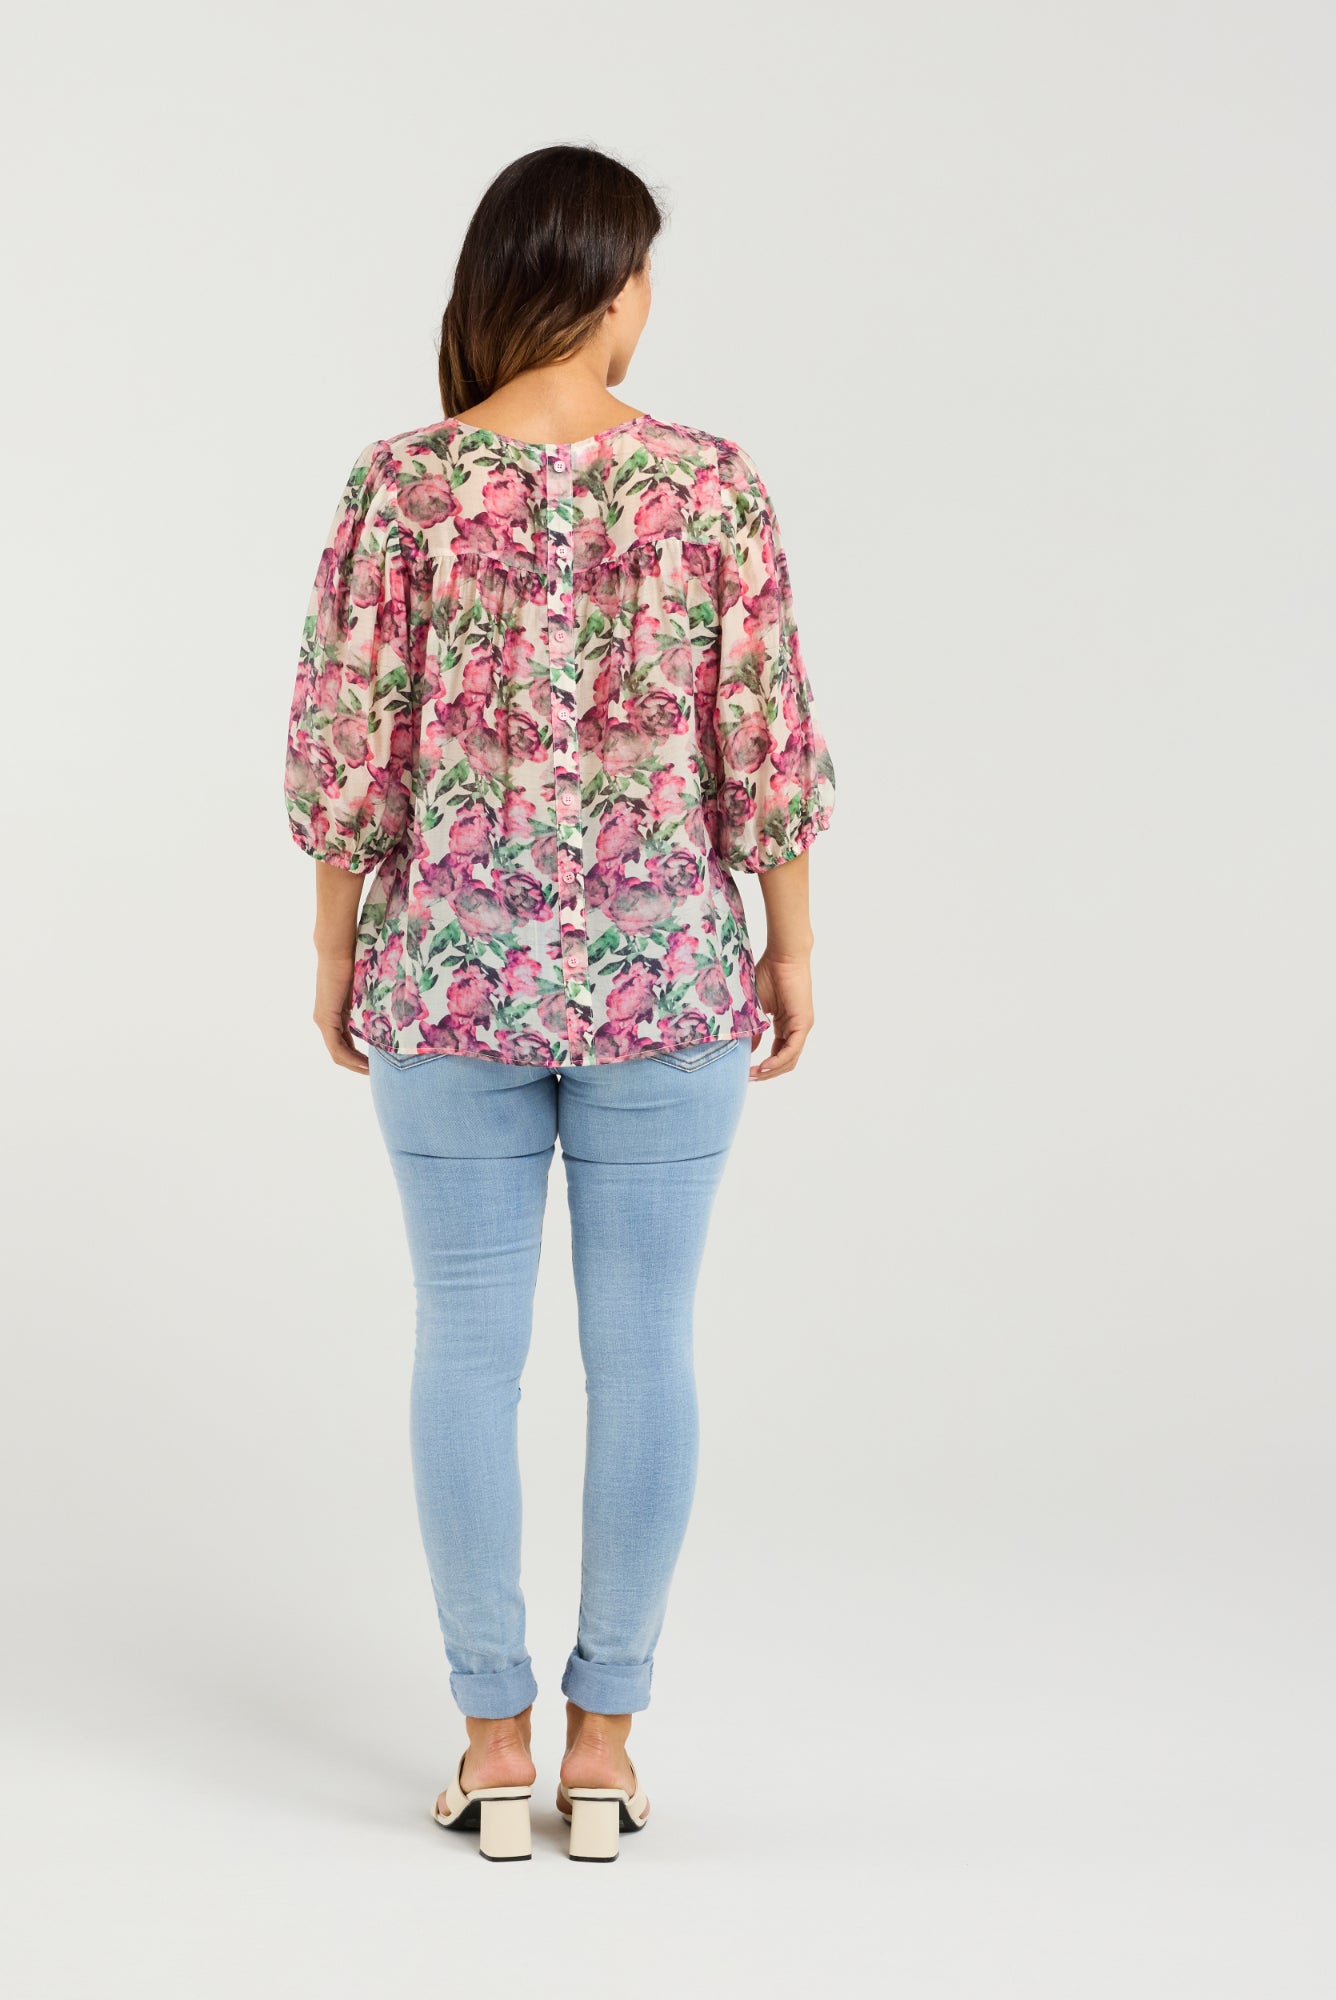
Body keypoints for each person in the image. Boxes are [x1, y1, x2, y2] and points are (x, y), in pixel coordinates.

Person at [284, 145, 835, 1862]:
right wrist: (790, 943)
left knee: (466, 1345)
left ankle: (490, 1745)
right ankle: (604, 1752)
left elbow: (346, 744)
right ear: (606, 287)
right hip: (667, 976)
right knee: (646, 1347)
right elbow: (766, 740)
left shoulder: (402, 486)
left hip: (447, 974)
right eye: (645, 271)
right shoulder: (712, 487)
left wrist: (335, 949)